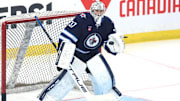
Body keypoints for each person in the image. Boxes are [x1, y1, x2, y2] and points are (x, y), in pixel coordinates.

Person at [39, 1, 125, 101]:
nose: (99, 13)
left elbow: (108, 42)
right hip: (77, 55)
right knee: (66, 82)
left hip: (93, 55)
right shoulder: (82, 19)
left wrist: (113, 46)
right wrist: (63, 57)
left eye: (101, 11)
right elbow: (66, 37)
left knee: (104, 78)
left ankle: (105, 97)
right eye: (96, 11)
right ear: (92, 10)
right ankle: (48, 98)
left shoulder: (107, 23)